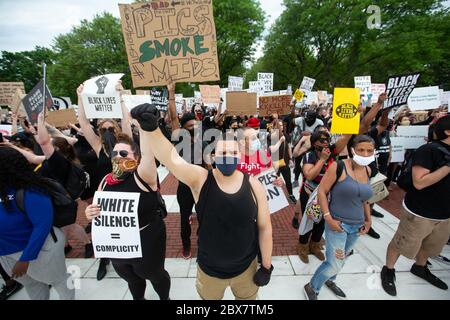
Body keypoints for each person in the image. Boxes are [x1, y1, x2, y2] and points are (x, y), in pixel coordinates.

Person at [129, 103, 273, 300]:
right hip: (210, 273)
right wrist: (152, 129)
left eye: (232, 153)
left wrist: (266, 265)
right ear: (213, 156)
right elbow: (172, 160)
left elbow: (265, 227)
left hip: (246, 270)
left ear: (239, 155)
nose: (228, 157)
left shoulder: (255, 185)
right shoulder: (201, 179)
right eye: (222, 153)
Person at [85, 133, 171, 300]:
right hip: (118, 243)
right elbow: (98, 208)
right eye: (114, 154)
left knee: (154, 274)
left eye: (124, 154)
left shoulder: (143, 176)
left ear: (136, 157)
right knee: (130, 277)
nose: (118, 157)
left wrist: (144, 128)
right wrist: (91, 212)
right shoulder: (105, 180)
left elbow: (148, 154)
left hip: (146, 238)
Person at [381, 115, 450, 297]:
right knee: (401, 242)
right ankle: (388, 269)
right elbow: (419, 183)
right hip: (420, 211)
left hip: (444, 214)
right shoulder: (429, 150)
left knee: (431, 246)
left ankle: (420, 267)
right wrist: (447, 167)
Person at [304, 135, 375, 300]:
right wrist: (328, 218)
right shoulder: (339, 166)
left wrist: (368, 220)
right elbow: (322, 191)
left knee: (342, 259)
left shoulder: (368, 170)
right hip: (338, 224)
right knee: (334, 262)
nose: (365, 154)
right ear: (352, 150)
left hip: (357, 226)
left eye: (369, 151)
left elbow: (364, 199)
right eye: (361, 150)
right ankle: (312, 287)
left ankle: (330, 280)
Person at [0, 146, 75, 300]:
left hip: (38, 250)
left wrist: (26, 258)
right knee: (33, 285)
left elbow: (42, 226)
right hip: (7, 254)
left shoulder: (31, 191)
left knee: (60, 280)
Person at [77, 80, 132, 281]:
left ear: (117, 128)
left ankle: (127, 255)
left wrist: (120, 96)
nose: (106, 130)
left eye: (110, 127)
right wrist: (80, 98)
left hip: (126, 190)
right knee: (102, 227)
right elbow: (83, 123)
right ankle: (103, 259)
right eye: (102, 127)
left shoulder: (125, 142)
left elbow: (127, 119)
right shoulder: (99, 146)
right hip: (105, 193)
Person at [297, 127, 352, 263]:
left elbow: (347, 136)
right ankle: (302, 247)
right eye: (322, 141)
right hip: (310, 194)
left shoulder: (332, 152)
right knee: (309, 220)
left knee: (322, 222)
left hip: (327, 195)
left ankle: (315, 245)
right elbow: (309, 175)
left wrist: (351, 118)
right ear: (314, 142)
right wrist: (322, 160)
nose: (326, 143)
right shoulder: (309, 156)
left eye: (327, 139)